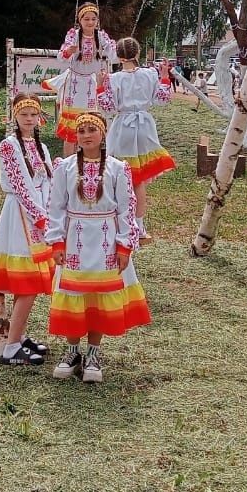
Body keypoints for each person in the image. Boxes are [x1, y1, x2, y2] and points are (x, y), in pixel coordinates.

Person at [45, 111, 151, 384]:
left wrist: (125, 245)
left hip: (105, 238)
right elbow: (55, 206)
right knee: (73, 295)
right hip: (75, 239)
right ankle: (71, 351)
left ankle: (93, 353)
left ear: (103, 133)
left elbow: (127, 209)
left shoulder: (118, 168)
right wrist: (56, 241)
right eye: (82, 131)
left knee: (98, 298)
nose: (87, 135)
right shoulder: (64, 167)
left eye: (92, 130)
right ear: (76, 136)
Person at [0, 94, 54, 366]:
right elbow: (20, 184)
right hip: (21, 215)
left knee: (28, 282)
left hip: (39, 215)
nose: (28, 118)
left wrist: (47, 211)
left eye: (33, 114)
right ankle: (12, 345)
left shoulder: (42, 148)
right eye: (23, 114)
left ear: (39, 118)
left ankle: (18, 334)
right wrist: (39, 215)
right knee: (27, 283)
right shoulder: (8, 145)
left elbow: (46, 181)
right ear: (15, 116)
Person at [97, 38, 176, 241]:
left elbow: (108, 108)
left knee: (121, 176)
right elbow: (162, 99)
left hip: (123, 127)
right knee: (138, 180)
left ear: (119, 56)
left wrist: (99, 87)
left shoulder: (114, 79)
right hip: (144, 128)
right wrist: (165, 77)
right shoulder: (150, 74)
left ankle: (121, 221)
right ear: (137, 53)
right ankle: (138, 225)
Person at [55, 3, 117, 156]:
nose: (90, 22)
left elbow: (112, 53)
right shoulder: (73, 35)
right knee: (71, 129)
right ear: (80, 20)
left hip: (91, 83)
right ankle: (68, 162)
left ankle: (89, 159)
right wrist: (69, 51)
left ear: (97, 20)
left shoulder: (101, 36)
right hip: (74, 84)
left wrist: (121, 51)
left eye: (93, 19)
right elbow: (61, 57)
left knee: (90, 123)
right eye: (86, 19)